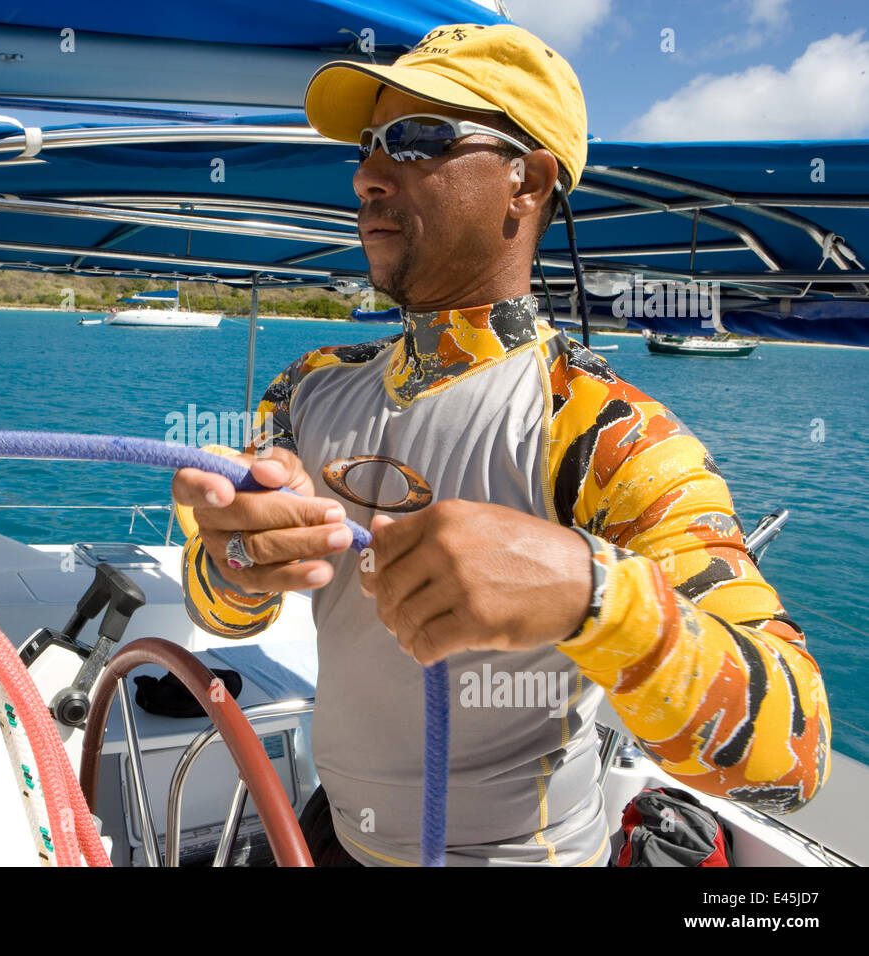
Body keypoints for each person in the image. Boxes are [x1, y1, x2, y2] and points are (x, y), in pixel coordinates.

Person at [170, 22, 830, 867]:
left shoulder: (607, 433)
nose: (370, 174)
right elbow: (224, 609)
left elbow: (794, 756)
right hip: (330, 830)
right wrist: (234, 560)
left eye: (415, 141)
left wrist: (589, 594)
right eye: (370, 146)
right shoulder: (307, 385)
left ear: (529, 181)